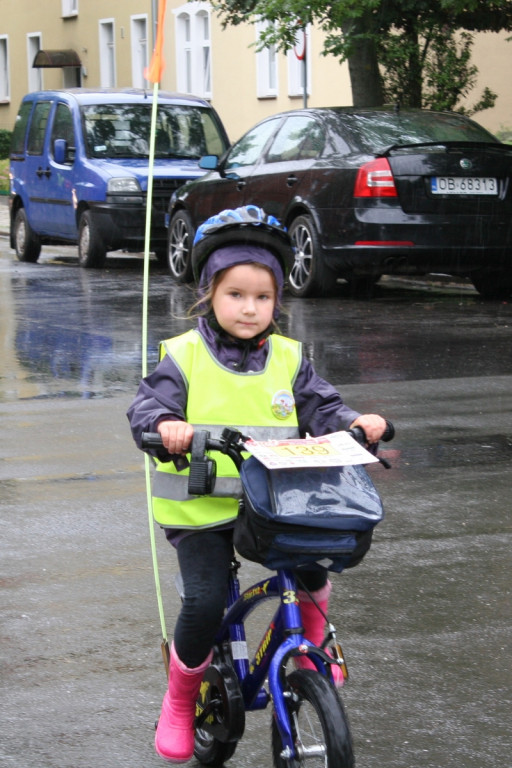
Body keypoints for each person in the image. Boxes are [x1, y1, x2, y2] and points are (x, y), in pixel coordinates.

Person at [127, 205, 387, 763]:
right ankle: (180, 697)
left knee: (317, 567)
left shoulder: (290, 359)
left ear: (277, 301)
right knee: (203, 603)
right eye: (236, 295)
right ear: (209, 295)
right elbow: (146, 407)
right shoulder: (184, 356)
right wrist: (163, 425)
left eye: (263, 297)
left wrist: (355, 425)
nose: (250, 308)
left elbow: (325, 409)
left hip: (275, 505)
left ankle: (311, 645)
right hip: (200, 512)